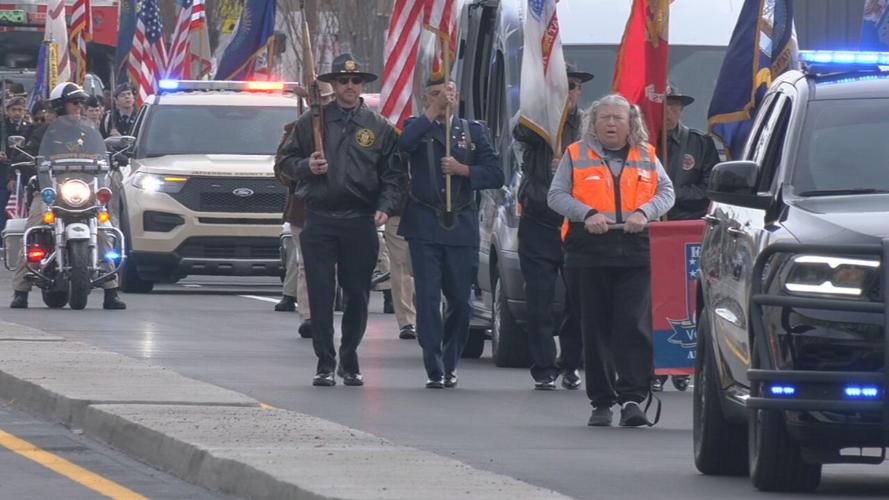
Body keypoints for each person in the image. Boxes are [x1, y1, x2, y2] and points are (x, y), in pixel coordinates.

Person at [275, 54, 403, 387]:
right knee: (320, 292)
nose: (349, 86)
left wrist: (386, 206)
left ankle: (349, 356)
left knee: (358, 294)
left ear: (363, 85)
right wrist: (307, 166)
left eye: (356, 80)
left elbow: (394, 175)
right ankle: (324, 361)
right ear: (333, 84)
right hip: (320, 218)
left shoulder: (379, 127)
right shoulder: (311, 121)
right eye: (343, 81)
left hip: (360, 219)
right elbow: (284, 163)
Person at [548, 93, 674, 427]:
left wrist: (644, 213)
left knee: (633, 324)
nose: (611, 123)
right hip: (589, 253)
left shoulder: (647, 155)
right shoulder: (575, 155)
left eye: (618, 118)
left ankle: (632, 398)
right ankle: (601, 402)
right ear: (593, 123)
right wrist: (586, 213)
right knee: (596, 328)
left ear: (631, 123)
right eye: (604, 118)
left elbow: (666, 192)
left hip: (635, 252)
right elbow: (556, 195)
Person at [398, 79, 503, 389]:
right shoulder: (417, 126)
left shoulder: (473, 131)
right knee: (429, 298)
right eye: (436, 94)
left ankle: (451, 356)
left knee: (460, 300)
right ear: (425, 98)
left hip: (460, 223)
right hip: (425, 223)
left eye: (450, 93)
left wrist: (464, 170)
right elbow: (404, 147)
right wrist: (432, 111)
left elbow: (496, 174)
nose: (445, 98)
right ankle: (434, 363)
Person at [9, 82, 126, 310]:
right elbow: (30, 154)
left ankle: (111, 290)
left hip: (85, 191)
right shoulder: (44, 132)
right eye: (76, 103)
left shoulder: (90, 131)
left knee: (103, 231)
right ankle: (20, 290)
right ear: (61, 106)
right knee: (33, 228)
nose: (80, 107)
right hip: (51, 192)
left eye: (82, 103)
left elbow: (104, 153)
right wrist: (24, 161)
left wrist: (114, 157)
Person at [513, 64, 589, 391]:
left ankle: (571, 362)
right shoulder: (536, 121)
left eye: (572, 86)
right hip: (539, 221)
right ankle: (543, 366)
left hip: (575, 224)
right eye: (561, 86)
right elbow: (519, 130)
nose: (568, 92)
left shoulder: (590, 127)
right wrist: (544, 107)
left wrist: (571, 164)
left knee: (578, 300)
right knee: (540, 300)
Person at [652, 84, 720, 393]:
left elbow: (710, 186)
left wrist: (669, 196)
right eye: (663, 106)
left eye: (674, 106)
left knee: (685, 300)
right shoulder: (643, 143)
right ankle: (653, 366)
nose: (668, 112)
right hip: (651, 231)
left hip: (684, 232)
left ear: (682, 110)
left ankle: (681, 367)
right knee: (653, 301)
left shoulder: (700, 144)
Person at [275, 82, 335, 342]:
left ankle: (327, 312)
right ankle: (310, 316)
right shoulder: (296, 130)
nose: (322, 104)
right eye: (317, 100)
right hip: (305, 207)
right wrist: (305, 166)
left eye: (326, 99)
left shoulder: (348, 128)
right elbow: (282, 169)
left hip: (341, 207)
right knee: (306, 264)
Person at [383, 175, 417, 340]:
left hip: (430, 211)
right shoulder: (395, 150)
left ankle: (422, 317)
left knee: (428, 266)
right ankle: (407, 320)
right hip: (399, 210)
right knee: (401, 264)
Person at [2, 96, 31, 234]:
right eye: (14, 109)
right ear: (7, 110)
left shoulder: (29, 129)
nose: (17, 113)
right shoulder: (3, 127)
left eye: (20, 110)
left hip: (20, 172)